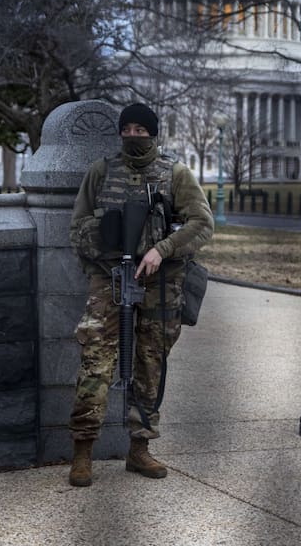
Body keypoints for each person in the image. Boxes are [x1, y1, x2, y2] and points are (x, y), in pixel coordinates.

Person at [67, 101, 214, 486]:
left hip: (160, 283)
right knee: (95, 362)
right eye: (127, 129)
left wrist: (160, 249)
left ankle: (140, 449)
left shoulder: (176, 174)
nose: (133, 135)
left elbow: (202, 224)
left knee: (151, 366)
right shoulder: (101, 172)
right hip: (110, 278)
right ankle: (82, 451)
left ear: (153, 132)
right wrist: (105, 248)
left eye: (140, 129)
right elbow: (77, 226)